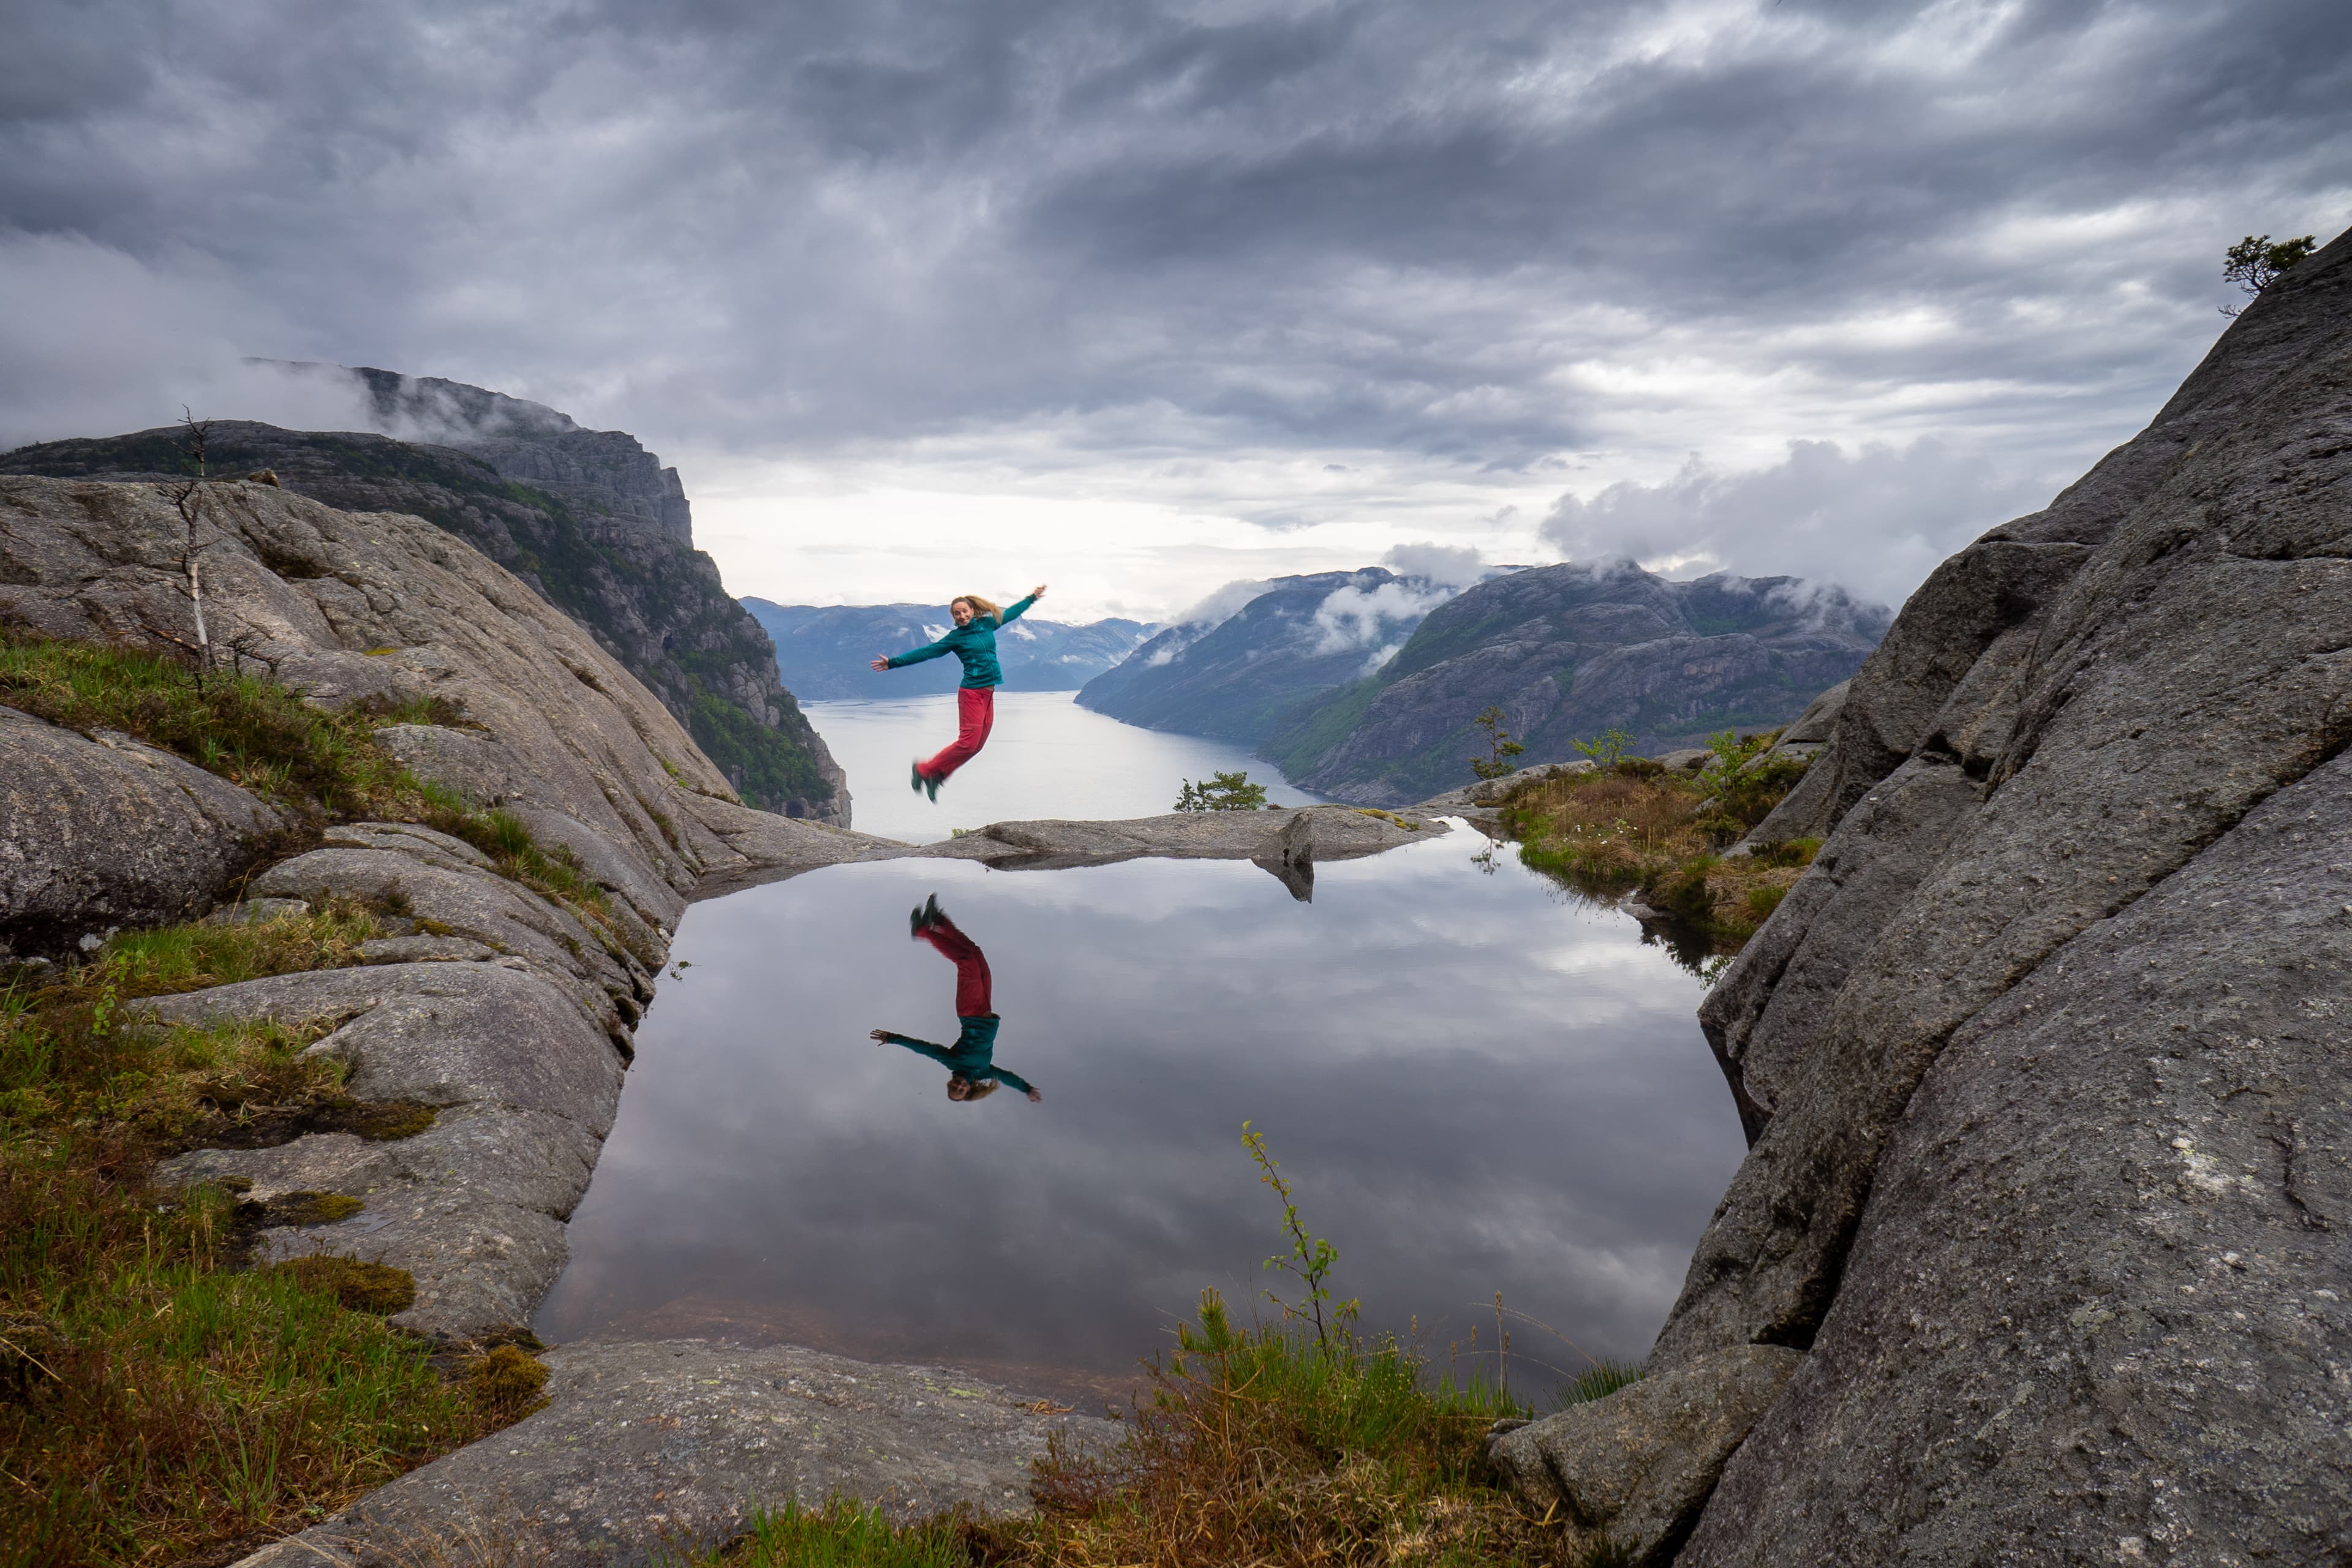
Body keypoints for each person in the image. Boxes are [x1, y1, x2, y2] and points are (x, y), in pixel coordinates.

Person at [870, 584, 1047, 800]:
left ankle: (938, 776)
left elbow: (1011, 613)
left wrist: (1032, 598)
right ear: (953, 617)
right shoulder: (955, 638)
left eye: (965, 611)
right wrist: (893, 663)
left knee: (977, 746)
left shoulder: (988, 624)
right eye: (957, 614)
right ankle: (923, 770)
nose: (962, 616)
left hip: (988, 694)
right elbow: (927, 652)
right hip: (972, 694)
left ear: (973, 610)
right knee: (967, 743)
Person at [870, 895, 1041, 1102]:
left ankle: (923, 931)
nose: (959, 1085)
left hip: (970, 1011)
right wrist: (1027, 1089)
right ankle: (939, 921)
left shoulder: (951, 1062)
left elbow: (924, 1049)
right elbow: (1007, 1078)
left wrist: (892, 1038)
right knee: (975, 954)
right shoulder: (984, 1072)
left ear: (950, 1082)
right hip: (986, 1010)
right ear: (969, 1090)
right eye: (961, 1090)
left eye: (954, 1087)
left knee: (966, 961)